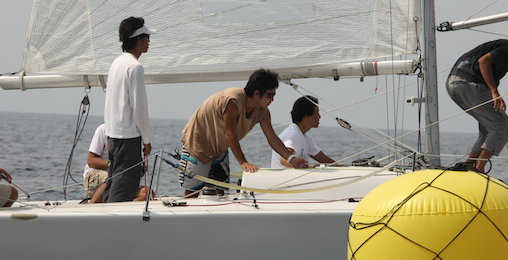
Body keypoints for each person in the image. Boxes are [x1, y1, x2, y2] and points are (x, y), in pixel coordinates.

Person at [179, 68, 309, 197]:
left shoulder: (263, 112)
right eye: (270, 95)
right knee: (192, 192)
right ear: (257, 93)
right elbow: (230, 134)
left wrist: (292, 159)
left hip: (219, 149)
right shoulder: (233, 101)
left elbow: (272, 138)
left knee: (220, 191)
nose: (272, 100)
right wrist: (243, 162)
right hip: (198, 146)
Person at [446, 29, 508, 172]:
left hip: (455, 83)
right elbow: (484, 61)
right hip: (467, 83)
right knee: (502, 125)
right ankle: (479, 170)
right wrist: (494, 92)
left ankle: (469, 165)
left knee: (488, 129)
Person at [100, 17, 154, 202]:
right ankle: (113, 220)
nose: (149, 41)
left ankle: (104, 214)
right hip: (128, 139)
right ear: (139, 39)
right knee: (124, 188)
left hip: (112, 136)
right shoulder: (135, 67)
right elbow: (140, 108)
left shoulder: (117, 63)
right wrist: (147, 140)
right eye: (147, 37)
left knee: (113, 185)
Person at [84, 123, 150, 203]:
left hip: (120, 178)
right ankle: (91, 207)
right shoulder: (103, 129)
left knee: (147, 193)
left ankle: (117, 208)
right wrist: (111, 165)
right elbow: (91, 161)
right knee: (113, 180)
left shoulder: (132, 135)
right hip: (94, 177)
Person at [270, 95, 336, 168]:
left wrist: (341, 167)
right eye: (317, 113)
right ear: (306, 116)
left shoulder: (306, 137)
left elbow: (323, 159)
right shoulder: (293, 135)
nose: (319, 116)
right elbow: (284, 160)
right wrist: (309, 167)